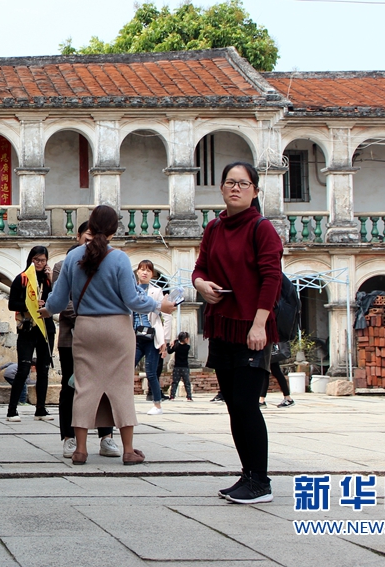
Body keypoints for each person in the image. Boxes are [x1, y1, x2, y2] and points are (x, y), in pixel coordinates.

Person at [43, 205, 176, 466]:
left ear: (89, 226)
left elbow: (57, 301)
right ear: (115, 230)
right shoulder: (119, 258)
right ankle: (128, 449)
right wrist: (160, 305)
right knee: (121, 388)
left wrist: (47, 310)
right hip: (117, 328)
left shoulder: (72, 258)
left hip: (86, 328)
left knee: (84, 387)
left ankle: (80, 450)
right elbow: (132, 299)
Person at [192, 161, 283, 504]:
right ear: (221, 188)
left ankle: (261, 480)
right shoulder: (214, 227)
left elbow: (271, 278)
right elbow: (200, 266)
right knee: (233, 404)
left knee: (247, 404)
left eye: (243, 184)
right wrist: (201, 284)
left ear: (255, 191)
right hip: (223, 323)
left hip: (251, 327)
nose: (235, 188)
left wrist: (260, 324)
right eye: (230, 182)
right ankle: (247, 474)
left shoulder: (262, 228)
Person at [53, 221, 119, 458]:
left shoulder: (109, 262)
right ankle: (69, 437)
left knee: (105, 387)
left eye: (96, 235)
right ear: (78, 236)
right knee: (70, 388)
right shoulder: (63, 265)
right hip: (72, 338)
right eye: (88, 236)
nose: (91, 240)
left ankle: (106, 437)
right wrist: (95, 314)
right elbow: (63, 303)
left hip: (102, 338)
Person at [7, 246, 56, 423]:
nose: (40, 263)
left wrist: (51, 279)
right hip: (28, 327)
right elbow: (12, 304)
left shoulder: (48, 281)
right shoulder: (22, 279)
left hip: (46, 327)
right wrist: (32, 305)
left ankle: (41, 408)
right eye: (36, 260)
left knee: (43, 368)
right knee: (24, 368)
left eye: (43, 260)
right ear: (30, 260)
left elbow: (57, 299)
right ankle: (12, 410)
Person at [134, 259, 172, 415]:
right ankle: (123, 404)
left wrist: (165, 340)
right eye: (142, 269)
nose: (145, 272)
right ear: (137, 272)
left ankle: (157, 405)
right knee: (126, 369)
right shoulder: (131, 289)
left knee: (151, 373)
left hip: (151, 336)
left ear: (152, 274)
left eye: (148, 270)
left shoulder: (156, 291)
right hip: (134, 336)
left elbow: (165, 316)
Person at [167, 332, 193, 401]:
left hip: (177, 367)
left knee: (175, 382)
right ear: (186, 339)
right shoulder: (187, 347)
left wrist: (172, 343)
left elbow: (169, 351)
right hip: (185, 367)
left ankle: (172, 396)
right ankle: (189, 397)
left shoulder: (176, 346)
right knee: (187, 382)